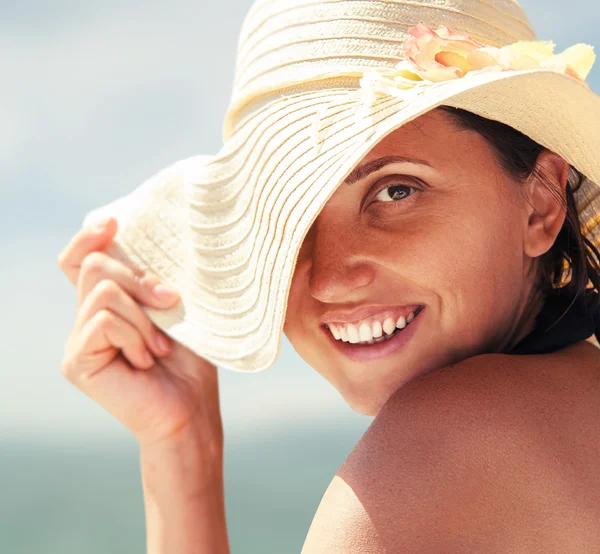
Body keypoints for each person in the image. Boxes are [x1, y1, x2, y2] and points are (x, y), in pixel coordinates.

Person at [57, 0, 600, 552]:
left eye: (395, 190)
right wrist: (180, 440)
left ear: (541, 202)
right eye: (289, 216)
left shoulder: (442, 440)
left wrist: (179, 462)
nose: (330, 280)